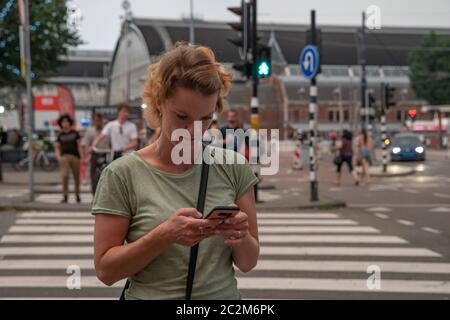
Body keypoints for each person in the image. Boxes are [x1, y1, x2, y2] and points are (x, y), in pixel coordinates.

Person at [92, 43, 260, 300]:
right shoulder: (121, 174)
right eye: (182, 116)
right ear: (159, 103)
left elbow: (248, 263)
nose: (194, 130)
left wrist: (240, 235)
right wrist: (164, 235)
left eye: (205, 119)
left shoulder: (233, 167)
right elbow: (105, 271)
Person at [54, 114, 83, 203]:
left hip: (75, 156)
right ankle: (65, 195)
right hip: (64, 157)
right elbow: (57, 147)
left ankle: (77, 194)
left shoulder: (75, 133)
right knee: (65, 175)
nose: (65, 123)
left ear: (70, 123)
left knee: (76, 177)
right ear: (61, 124)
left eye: (67, 121)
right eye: (63, 122)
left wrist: (82, 156)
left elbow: (79, 145)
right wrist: (58, 157)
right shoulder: (60, 135)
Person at [81, 113, 110, 195]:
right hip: (94, 155)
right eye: (96, 120)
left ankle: (105, 196)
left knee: (107, 176)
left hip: (106, 154)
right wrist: (85, 156)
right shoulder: (90, 130)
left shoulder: (106, 130)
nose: (98, 122)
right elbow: (84, 144)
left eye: (100, 120)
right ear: (94, 121)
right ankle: (94, 195)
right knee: (94, 176)